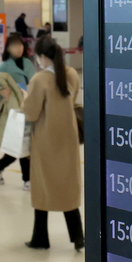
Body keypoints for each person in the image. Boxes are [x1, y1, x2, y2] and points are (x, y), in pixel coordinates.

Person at [22, 36, 84, 250]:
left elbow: (31, 112)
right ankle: (78, 236)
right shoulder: (72, 74)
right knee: (68, 185)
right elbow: (73, 99)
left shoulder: (39, 80)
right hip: (68, 138)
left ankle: (40, 237)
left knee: (43, 186)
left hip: (45, 140)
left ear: (41, 57)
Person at [0, 33, 35, 187]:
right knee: (22, 145)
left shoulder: (28, 63)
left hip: (28, 108)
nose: (18, 48)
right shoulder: (5, 66)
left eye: (20, 45)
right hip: (13, 111)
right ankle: (27, 180)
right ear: (8, 48)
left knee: (22, 145)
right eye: (14, 46)